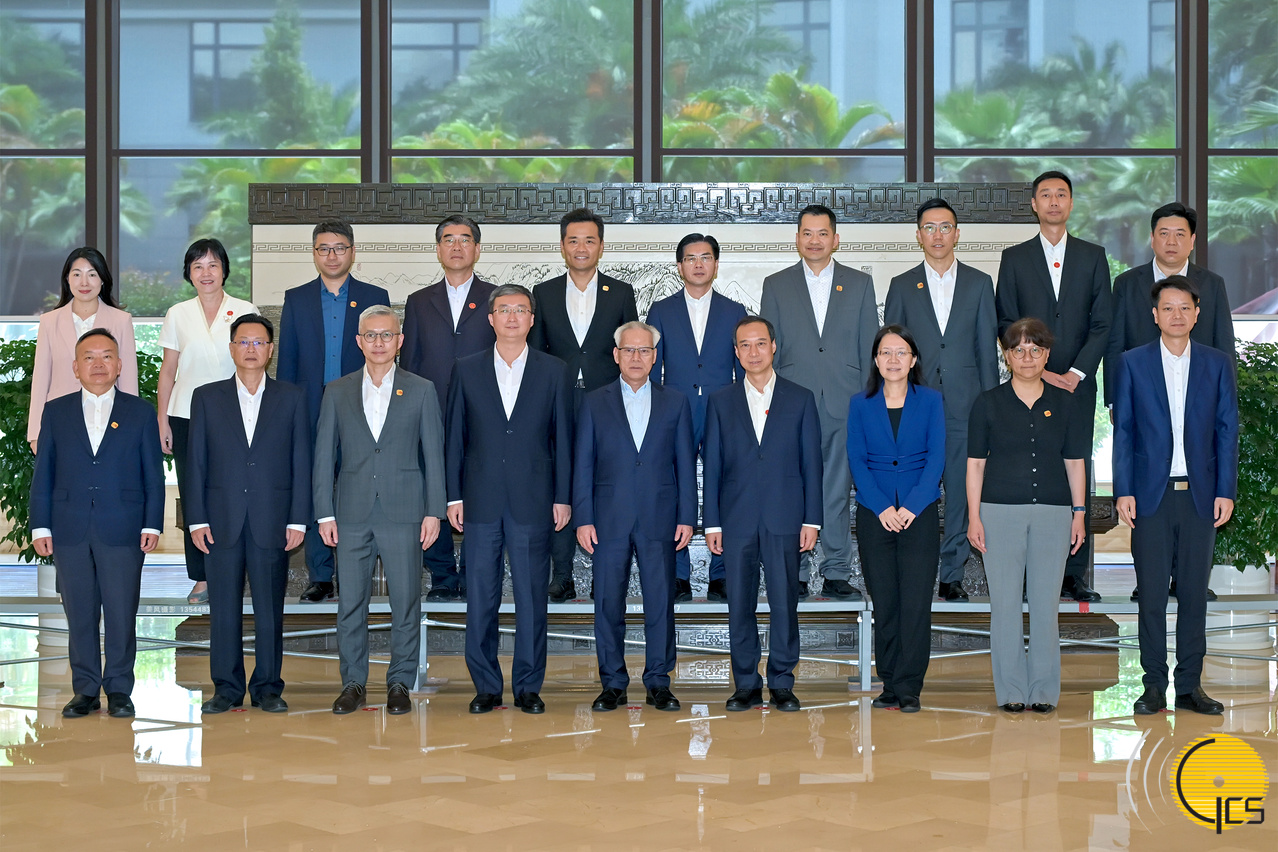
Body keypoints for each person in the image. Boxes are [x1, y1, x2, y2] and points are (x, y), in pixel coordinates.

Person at [313, 306, 447, 716]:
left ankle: (400, 682)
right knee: (350, 604)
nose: (378, 342)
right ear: (359, 342)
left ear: (399, 341)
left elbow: (434, 454)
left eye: (386, 335)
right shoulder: (337, 391)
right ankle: (353, 682)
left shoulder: (421, 389)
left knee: (405, 602)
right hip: (350, 513)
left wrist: (434, 511)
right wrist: (324, 513)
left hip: (405, 511)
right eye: (370, 335)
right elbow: (323, 456)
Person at [1113, 275, 1237, 716]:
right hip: (1151, 497)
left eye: (1185, 307)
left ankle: (1189, 687)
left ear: (1197, 313)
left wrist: (1226, 490)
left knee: (1193, 596)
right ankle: (1152, 686)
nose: (1177, 315)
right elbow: (1124, 430)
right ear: (1155, 315)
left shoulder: (1217, 363)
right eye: (1168, 308)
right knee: (1150, 596)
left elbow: (1227, 430)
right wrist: (1123, 490)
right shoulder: (1132, 362)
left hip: (1201, 497)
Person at [447, 284, 572, 715]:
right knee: (480, 597)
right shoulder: (466, 369)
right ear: (491, 319)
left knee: (532, 599)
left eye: (521, 309)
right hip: (479, 500)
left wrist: (563, 497)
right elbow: (455, 438)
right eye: (504, 309)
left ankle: (528, 686)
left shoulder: (554, 370)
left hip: (533, 500)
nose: (513, 317)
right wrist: (452, 496)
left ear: (532, 319)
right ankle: (485, 686)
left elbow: (563, 439)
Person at [29, 329, 164, 719]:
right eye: (89, 357)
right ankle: (85, 689)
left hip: (123, 526)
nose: (99, 364)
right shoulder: (56, 411)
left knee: (121, 612)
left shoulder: (139, 412)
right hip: (69, 527)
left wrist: (152, 524)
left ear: (119, 365)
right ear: (75, 367)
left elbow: (153, 474)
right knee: (80, 613)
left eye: (107, 356)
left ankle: (119, 689)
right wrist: (40, 526)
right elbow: (44, 473)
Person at [1106, 203, 1235, 602]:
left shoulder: (1212, 284)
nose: (1172, 241)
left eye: (1180, 234)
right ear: (1152, 238)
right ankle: (1151, 579)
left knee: (1194, 490)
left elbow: (1223, 342)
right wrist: (1113, 400)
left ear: (1192, 241)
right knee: (1149, 494)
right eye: (1164, 233)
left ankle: (1188, 579)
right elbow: (1115, 342)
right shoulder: (1127, 283)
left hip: (1198, 405)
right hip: (1141, 403)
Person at [995, 171, 1111, 603]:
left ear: (1071, 203)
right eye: (1046, 195)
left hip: (1077, 385)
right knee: (1032, 470)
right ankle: (1030, 572)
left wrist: (1076, 372)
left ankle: (1073, 574)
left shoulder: (1093, 255)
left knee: (1076, 470)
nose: (1054, 201)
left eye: (1062, 194)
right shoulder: (1015, 257)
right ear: (1034, 204)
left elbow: (1103, 323)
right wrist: (1038, 369)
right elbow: (1006, 320)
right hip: (1028, 381)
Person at [186, 314, 310, 714]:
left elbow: (301, 461)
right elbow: (196, 462)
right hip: (220, 520)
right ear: (232, 348)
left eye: (259, 342)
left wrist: (298, 519)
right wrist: (196, 519)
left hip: (272, 519)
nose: (251, 349)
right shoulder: (207, 397)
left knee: (270, 610)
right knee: (223, 610)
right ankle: (225, 688)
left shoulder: (292, 397)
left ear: (270, 350)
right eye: (243, 342)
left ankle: (268, 687)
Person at [967, 318, 1088, 714]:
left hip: (1054, 514)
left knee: (1045, 605)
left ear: (1047, 354)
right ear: (1007, 356)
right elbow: (975, 465)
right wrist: (974, 517)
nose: (1027, 357)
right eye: (1018, 350)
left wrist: (1079, 513)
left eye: (1035, 350)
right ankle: (1012, 691)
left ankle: (1043, 691)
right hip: (999, 513)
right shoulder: (988, 403)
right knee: (1004, 606)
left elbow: (1075, 463)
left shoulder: (1066, 403)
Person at [574, 321, 696, 713]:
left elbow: (685, 464)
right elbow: (583, 464)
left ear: (655, 357)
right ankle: (612, 683)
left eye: (644, 350)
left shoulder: (675, 402)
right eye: (629, 350)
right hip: (607, 519)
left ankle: (659, 681)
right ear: (616, 355)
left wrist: (687, 516)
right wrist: (583, 517)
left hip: (660, 517)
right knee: (608, 603)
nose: (636, 357)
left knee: (660, 603)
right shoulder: (594, 402)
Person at [703, 317, 823, 713]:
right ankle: (746, 684)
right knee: (739, 604)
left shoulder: (800, 398)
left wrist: (812, 519)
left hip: (785, 517)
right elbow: (713, 466)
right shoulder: (720, 401)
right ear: (736, 353)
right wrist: (712, 522)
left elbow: (812, 464)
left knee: (784, 603)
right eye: (744, 345)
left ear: (773, 346)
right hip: (736, 519)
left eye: (760, 343)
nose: (753, 352)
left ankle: (782, 682)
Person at [760, 203, 877, 601]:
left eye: (822, 233)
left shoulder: (859, 284)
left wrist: (868, 402)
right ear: (797, 239)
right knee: (792, 488)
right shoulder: (776, 285)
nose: (815, 241)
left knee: (837, 490)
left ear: (835, 239)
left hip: (846, 401)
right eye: (807, 233)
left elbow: (869, 347)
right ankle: (795, 570)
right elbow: (769, 351)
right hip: (791, 404)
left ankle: (836, 570)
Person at [884, 199, 999, 601]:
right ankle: (913, 571)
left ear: (957, 233)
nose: (937, 235)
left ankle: (952, 574)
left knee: (961, 495)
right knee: (914, 491)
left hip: (967, 407)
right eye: (929, 228)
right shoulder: (902, 284)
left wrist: (991, 407)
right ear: (918, 235)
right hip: (915, 406)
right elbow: (892, 352)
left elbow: (986, 351)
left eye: (945, 227)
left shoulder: (979, 283)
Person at [277, 220, 390, 604]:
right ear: (314, 253)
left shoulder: (374, 296)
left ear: (352, 252)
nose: (332, 255)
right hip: (310, 407)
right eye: (323, 248)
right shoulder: (297, 299)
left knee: (360, 486)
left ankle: (356, 569)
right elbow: (287, 362)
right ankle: (321, 576)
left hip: (361, 407)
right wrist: (287, 413)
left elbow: (384, 354)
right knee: (316, 487)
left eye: (339, 247)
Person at [530, 208, 639, 602]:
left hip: (607, 403)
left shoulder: (621, 292)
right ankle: (562, 575)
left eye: (589, 240)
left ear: (601, 247)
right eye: (573, 240)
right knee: (559, 483)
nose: (581, 247)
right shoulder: (543, 293)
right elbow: (536, 354)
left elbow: (631, 349)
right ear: (563, 246)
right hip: (557, 403)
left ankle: (603, 574)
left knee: (605, 485)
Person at [847, 325, 946, 713]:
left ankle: (909, 686)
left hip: (919, 514)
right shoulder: (860, 404)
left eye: (901, 352)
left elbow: (936, 458)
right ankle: (889, 682)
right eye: (885, 352)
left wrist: (912, 506)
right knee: (885, 602)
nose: (893, 359)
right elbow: (857, 460)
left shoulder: (931, 401)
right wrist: (882, 507)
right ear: (875, 360)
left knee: (916, 603)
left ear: (913, 359)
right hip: (876, 515)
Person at [646, 233, 747, 602]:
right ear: (680, 266)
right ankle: (678, 574)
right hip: (677, 411)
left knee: (726, 488)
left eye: (706, 257)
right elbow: (652, 367)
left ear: (716, 265)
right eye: (691, 258)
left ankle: (722, 573)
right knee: (674, 488)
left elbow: (744, 368)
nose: (699, 264)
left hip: (723, 411)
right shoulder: (661, 310)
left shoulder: (734, 311)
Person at [157, 238, 258, 604]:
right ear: (189, 273)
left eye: (213, 265)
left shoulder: (244, 309)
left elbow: (254, 364)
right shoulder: (178, 313)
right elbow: (168, 371)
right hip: (186, 416)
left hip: (236, 416)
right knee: (194, 494)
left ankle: (236, 571)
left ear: (224, 270)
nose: (206, 273)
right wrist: (162, 420)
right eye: (197, 266)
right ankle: (201, 576)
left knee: (236, 492)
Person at [401, 214, 496, 602]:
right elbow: (409, 362)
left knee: (480, 490)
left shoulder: (496, 297)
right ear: (438, 249)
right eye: (448, 239)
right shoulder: (419, 301)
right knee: (431, 488)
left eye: (465, 239)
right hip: (431, 412)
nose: (457, 246)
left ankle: (473, 571)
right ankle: (441, 575)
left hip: (484, 413)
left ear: (477, 248)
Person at [28, 247, 138, 454]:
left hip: (107, 419)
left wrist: (132, 428)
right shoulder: (49, 321)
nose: (84, 283)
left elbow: (128, 378)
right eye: (77, 274)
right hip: (60, 419)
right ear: (67, 279)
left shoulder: (121, 320)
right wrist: (35, 433)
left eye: (92, 274)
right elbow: (41, 379)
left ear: (102, 279)